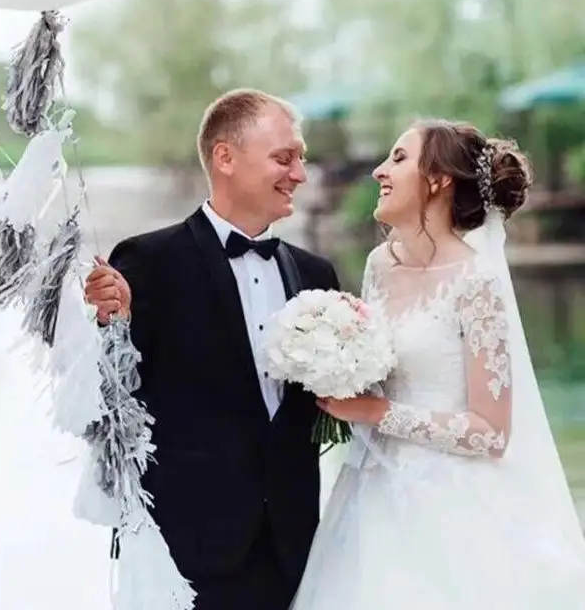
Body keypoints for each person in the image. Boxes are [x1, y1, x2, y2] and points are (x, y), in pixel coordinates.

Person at [290, 118, 585, 609]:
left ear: (439, 179)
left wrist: (378, 412)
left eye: (399, 158)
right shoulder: (379, 264)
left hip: (452, 504)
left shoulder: (476, 281)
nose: (379, 171)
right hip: (370, 490)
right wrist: (334, 361)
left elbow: (491, 433)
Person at [84, 89, 341, 610]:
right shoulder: (148, 261)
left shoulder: (317, 275)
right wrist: (115, 323)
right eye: (284, 158)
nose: (299, 174)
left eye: (301, 159)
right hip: (188, 554)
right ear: (225, 157)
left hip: (294, 549)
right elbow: (108, 401)